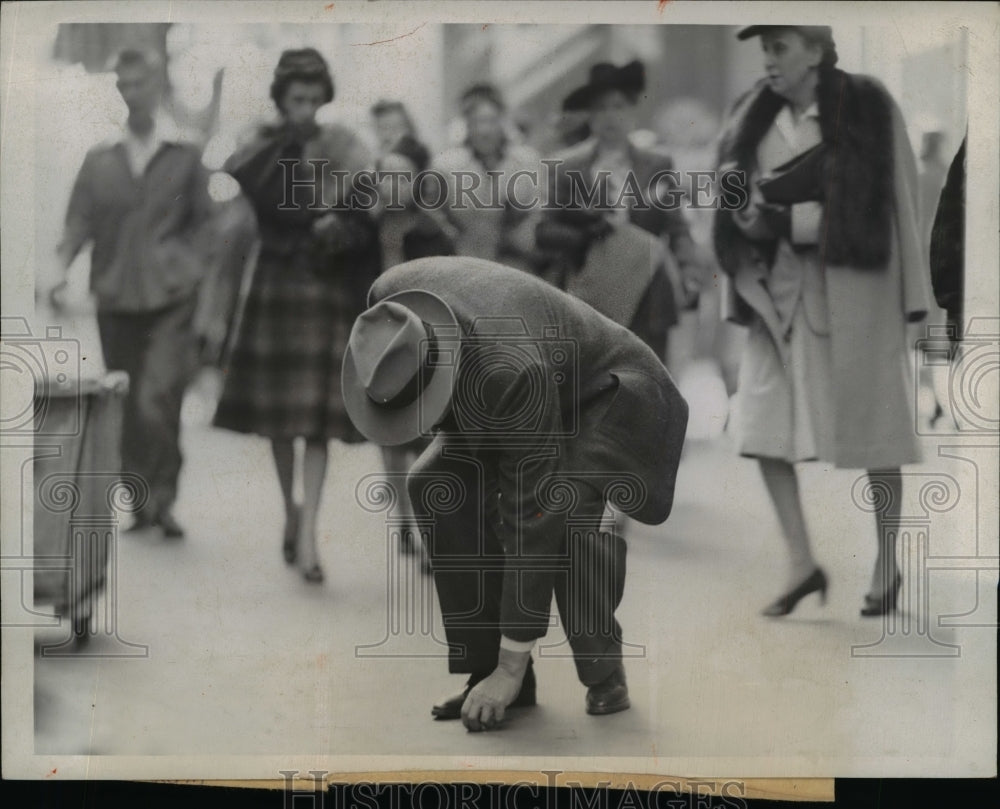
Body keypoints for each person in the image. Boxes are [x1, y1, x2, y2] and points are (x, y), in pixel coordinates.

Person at [341, 256, 689, 732]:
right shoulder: (386, 306)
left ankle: (602, 670)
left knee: (562, 512)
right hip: (501, 373)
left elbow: (533, 515)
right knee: (433, 484)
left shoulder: (511, 371)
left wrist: (514, 661)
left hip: (606, 392)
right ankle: (488, 669)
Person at [713, 26, 933, 617]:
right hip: (775, 298)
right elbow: (729, 198)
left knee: (877, 430)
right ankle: (801, 562)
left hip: (856, 295)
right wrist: (747, 221)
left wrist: (917, 302)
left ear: (814, 50)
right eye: (763, 49)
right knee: (760, 428)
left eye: (779, 47)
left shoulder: (866, 104)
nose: (768, 61)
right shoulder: (750, 115)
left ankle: (888, 561)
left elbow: (899, 203)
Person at [212, 48, 380, 584]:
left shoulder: (346, 146)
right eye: (297, 98)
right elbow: (247, 191)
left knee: (317, 422)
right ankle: (292, 509)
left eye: (314, 98)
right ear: (281, 99)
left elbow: (367, 208)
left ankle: (309, 534)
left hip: (324, 283)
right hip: (275, 281)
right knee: (281, 421)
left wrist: (343, 223)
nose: (306, 108)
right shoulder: (258, 143)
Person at [50, 47, 213, 538]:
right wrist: (60, 267)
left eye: (140, 83)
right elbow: (78, 221)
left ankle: (162, 497)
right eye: (124, 85)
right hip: (116, 296)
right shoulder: (100, 158)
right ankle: (140, 498)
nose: (132, 92)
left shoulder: (184, 155)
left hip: (171, 297)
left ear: (157, 87)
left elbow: (207, 226)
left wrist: (191, 271)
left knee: (157, 397)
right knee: (124, 399)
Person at [536, 60, 701, 364]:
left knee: (649, 382)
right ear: (589, 115)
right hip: (591, 293)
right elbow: (544, 231)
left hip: (648, 292)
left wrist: (690, 272)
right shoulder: (567, 166)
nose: (611, 117)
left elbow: (676, 227)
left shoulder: (657, 164)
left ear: (633, 113)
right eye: (600, 108)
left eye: (619, 106)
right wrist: (586, 232)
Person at [374, 134, 455, 562]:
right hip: (375, 338)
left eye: (402, 177)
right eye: (385, 176)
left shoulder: (430, 228)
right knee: (388, 434)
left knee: (423, 434)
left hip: (422, 338)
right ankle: (403, 520)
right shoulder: (366, 225)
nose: (393, 185)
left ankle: (426, 532)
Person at [433, 84, 543, 271]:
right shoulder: (446, 165)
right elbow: (436, 215)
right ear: (467, 125)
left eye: (491, 121)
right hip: (465, 263)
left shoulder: (527, 160)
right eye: (477, 122)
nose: (484, 131)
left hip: (517, 264)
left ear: (503, 121)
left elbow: (540, 210)